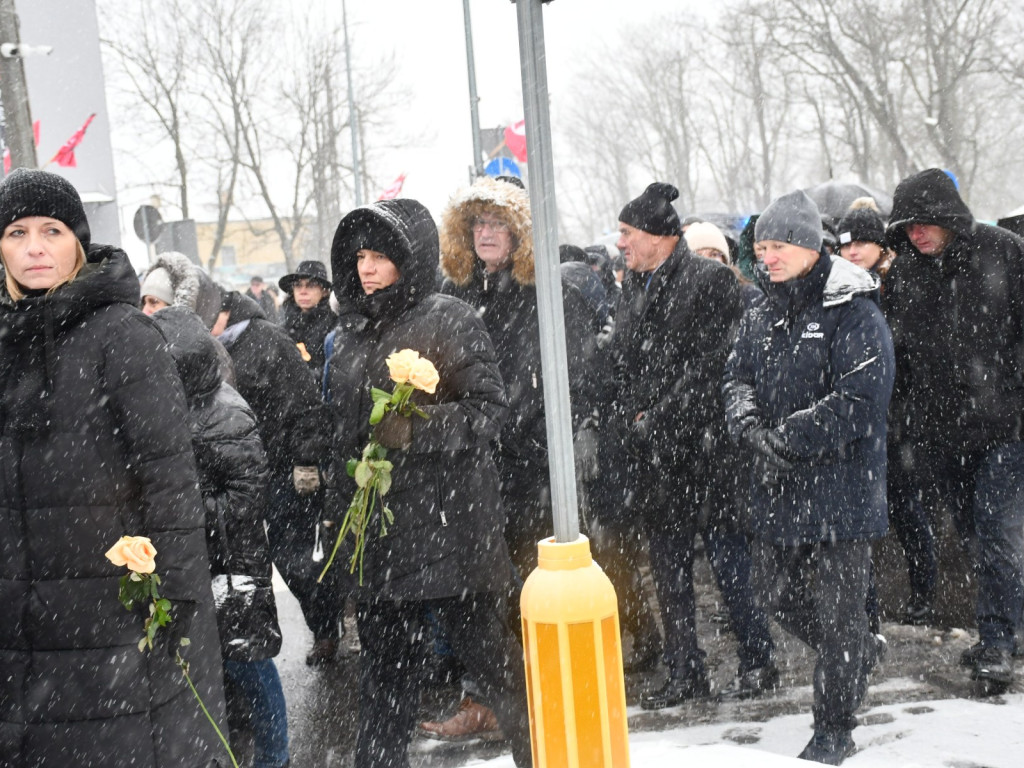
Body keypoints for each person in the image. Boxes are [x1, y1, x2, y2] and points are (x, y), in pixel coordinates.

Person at [0, 169, 227, 766]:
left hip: (108, 613)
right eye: (17, 232)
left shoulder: (122, 334)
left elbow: (170, 480)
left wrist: (175, 597)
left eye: (51, 230)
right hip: (18, 619)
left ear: (78, 240)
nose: (34, 247)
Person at [326, 198, 532, 768]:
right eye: (360, 256)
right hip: (383, 543)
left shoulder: (450, 316)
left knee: (499, 676)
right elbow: (342, 432)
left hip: (451, 538)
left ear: (409, 257)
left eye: (381, 255)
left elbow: (489, 413)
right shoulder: (347, 331)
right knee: (383, 692)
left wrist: (413, 427)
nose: (367, 267)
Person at [723, 189, 894, 764]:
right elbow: (735, 375)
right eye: (760, 247)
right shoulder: (760, 311)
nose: (765, 258)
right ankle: (857, 651)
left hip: (842, 491)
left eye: (774, 247)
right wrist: (747, 422)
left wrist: (789, 437)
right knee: (775, 597)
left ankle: (832, 731)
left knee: (838, 612)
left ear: (804, 246)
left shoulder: (855, 310)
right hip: (777, 489)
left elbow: (860, 398)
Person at [433, 176, 595, 736]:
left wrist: (512, 433)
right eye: (477, 223)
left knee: (530, 589)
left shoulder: (551, 294)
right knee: (482, 595)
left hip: (533, 472)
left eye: (497, 223)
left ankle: (540, 702)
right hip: (473, 469)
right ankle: (490, 701)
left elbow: (568, 382)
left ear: (520, 233)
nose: (486, 234)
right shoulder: (457, 295)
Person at [611, 182, 772, 709]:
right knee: (669, 569)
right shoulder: (632, 286)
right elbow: (627, 364)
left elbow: (716, 365)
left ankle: (758, 661)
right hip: (658, 457)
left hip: (710, 451)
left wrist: (660, 415)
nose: (620, 243)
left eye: (627, 232)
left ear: (659, 237)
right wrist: (630, 415)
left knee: (730, 563)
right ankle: (685, 671)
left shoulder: (709, 282)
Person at [883, 167, 1024, 689]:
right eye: (906, 226)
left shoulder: (1004, 252)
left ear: (948, 216)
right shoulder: (902, 275)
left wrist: (1012, 397)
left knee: (997, 531)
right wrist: (904, 421)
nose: (916, 233)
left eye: (924, 222)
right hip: (940, 436)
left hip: (1004, 426)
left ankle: (996, 642)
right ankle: (1004, 624)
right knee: (970, 534)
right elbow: (899, 359)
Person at [152, 307, 289, 768]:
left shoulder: (226, 414)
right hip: (197, 560)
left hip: (233, 566)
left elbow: (248, 499)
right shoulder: (170, 408)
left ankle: (276, 757)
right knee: (214, 665)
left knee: (247, 663)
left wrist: (185, 511)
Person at [213, 289, 341, 665]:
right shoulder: (212, 347)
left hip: (284, 470)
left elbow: (305, 403)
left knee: (294, 557)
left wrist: (305, 462)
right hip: (240, 476)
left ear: (226, 312)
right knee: (263, 563)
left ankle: (326, 628)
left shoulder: (267, 338)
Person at [278, 259, 336, 374]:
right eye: (298, 285)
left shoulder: (335, 324)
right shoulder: (285, 327)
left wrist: (305, 378)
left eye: (311, 285)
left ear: (324, 291)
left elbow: (335, 369)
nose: (303, 291)